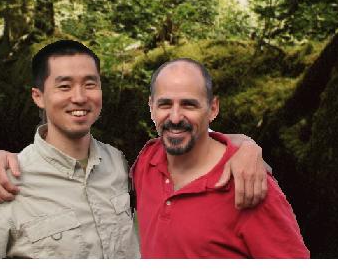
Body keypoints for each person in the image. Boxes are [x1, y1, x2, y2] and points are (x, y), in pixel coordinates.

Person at [0, 40, 268, 258]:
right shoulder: (2, 186)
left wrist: (244, 146)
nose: (79, 97)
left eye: (90, 84)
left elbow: (191, 145)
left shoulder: (119, 163)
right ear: (38, 96)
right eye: (64, 86)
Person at [131, 58, 309, 258]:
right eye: (165, 104)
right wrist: (246, 142)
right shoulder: (147, 160)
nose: (175, 117)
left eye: (189, 105)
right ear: (151, 107)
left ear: (213, 108)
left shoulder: (249, 185)